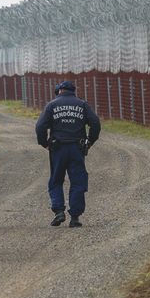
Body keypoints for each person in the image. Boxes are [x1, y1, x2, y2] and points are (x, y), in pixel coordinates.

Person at [35, 80, 101, 227]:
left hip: (58, 148)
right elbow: (95, 123)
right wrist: (90, 141)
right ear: (73, 91)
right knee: (78, 181)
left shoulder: (52, 105)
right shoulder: (82, 104)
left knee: (56, 180)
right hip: (77, 148)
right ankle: (75, 217)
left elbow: (40, 126)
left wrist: (44, 143)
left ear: (60, 91)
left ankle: (59, 211)